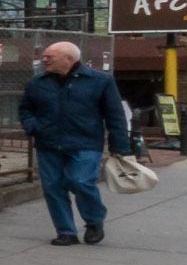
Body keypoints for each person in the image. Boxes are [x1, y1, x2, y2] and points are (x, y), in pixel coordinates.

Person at [17, 41, 131, 245]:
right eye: (44, 56)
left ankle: (94, 221)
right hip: (48, 144)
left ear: (69, 59)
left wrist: (120, 147)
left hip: (85, 143)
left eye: (49, 56)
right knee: (53, 188)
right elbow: (25, 108)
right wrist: (33, 127)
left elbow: (115, 116)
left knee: (80, 181)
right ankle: (66, 232)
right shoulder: (37, 82)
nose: (44, 60)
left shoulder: (100, 81)